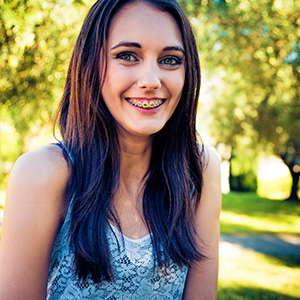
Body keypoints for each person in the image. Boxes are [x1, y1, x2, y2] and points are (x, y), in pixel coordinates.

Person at [0, 0, 222, 299]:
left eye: (170, 60)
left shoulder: (200, 169)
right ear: (91, 64)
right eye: (128, 56)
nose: (151, 81)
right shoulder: (44, 173)